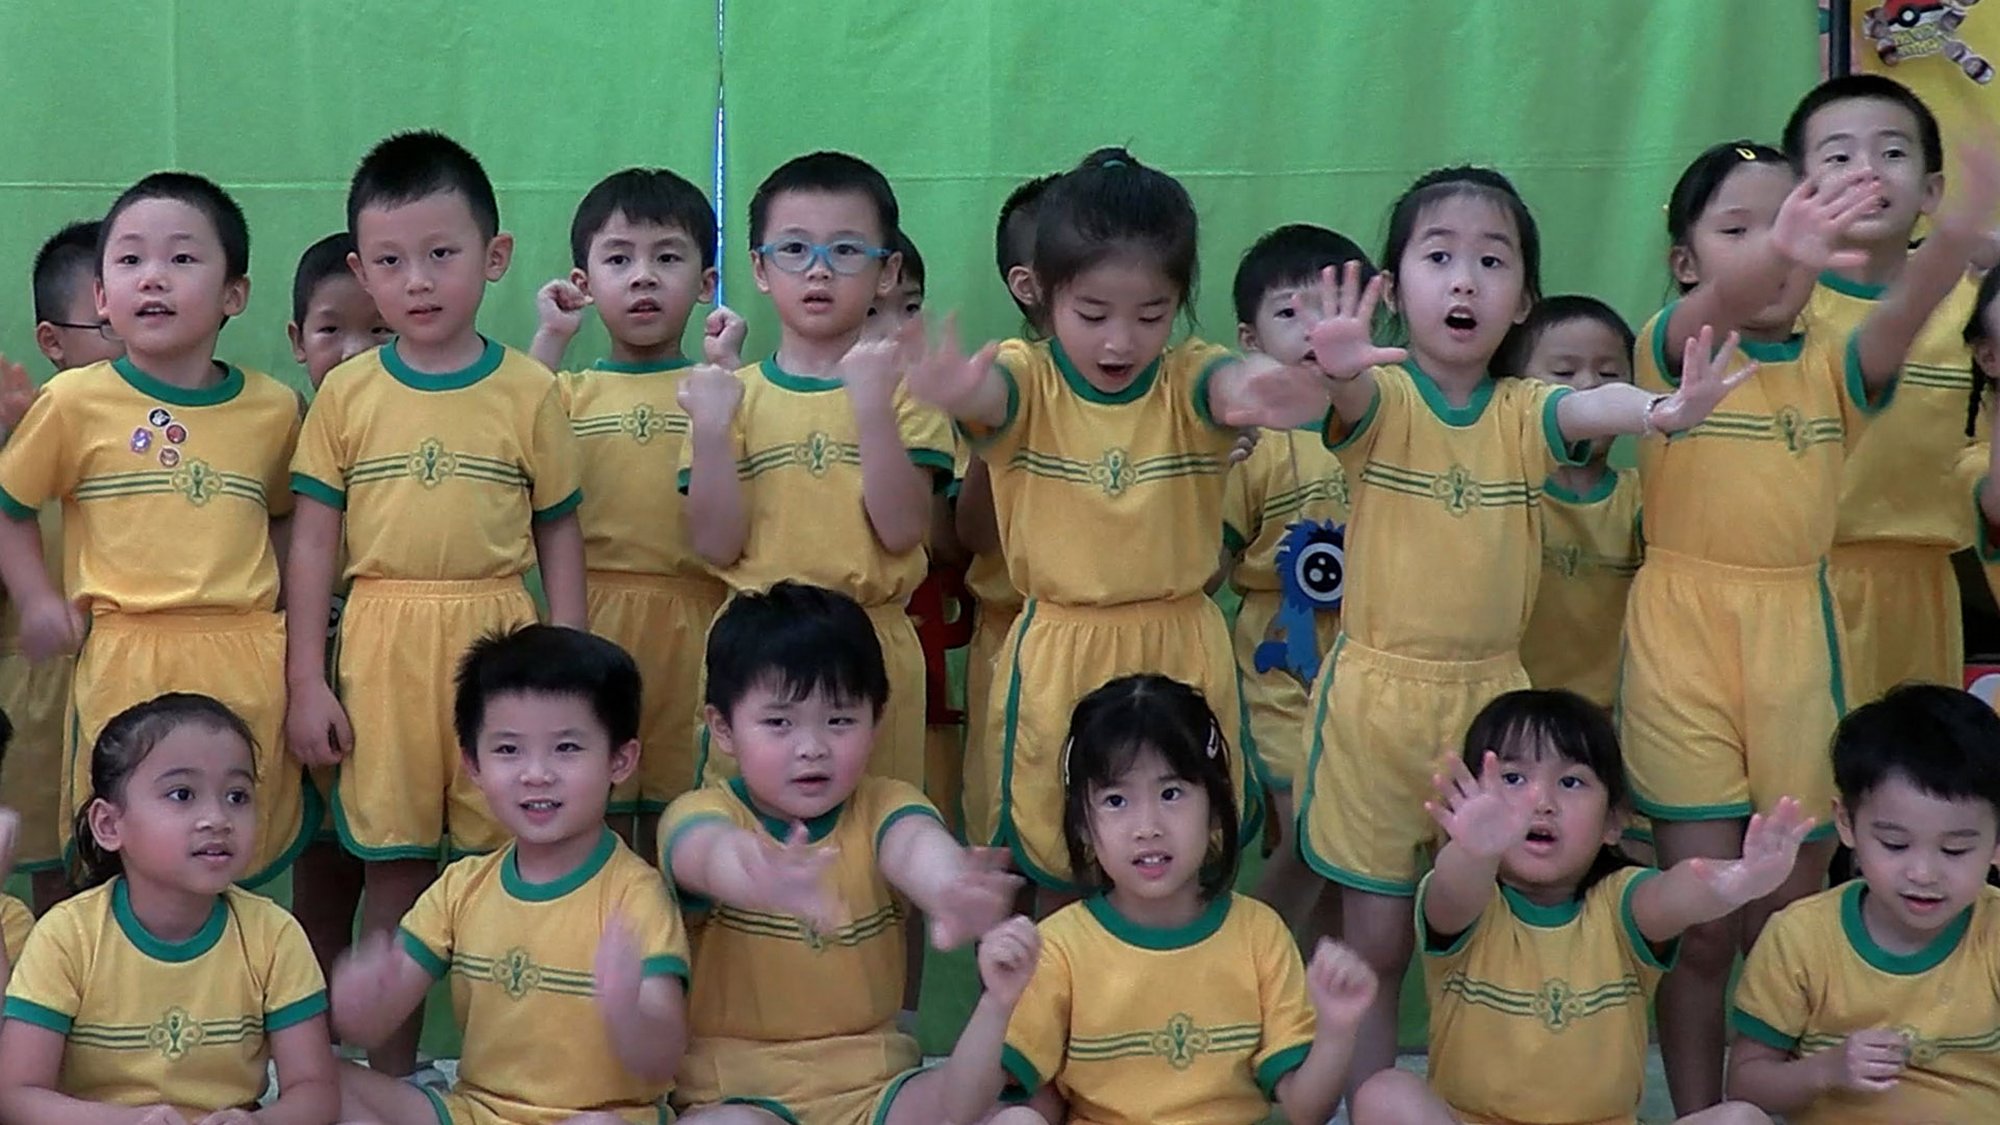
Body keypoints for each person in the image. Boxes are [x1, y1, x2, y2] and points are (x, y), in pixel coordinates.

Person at [1293, 164, 1754, 1092]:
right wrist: (1336, 365)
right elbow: (1345, 400)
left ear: (1523, 301)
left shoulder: (1521, 411)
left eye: (1492, 261)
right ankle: (1375, 1102)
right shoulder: (1384, 398)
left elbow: (1589, 406)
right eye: (1438, 257)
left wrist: (1659, 410)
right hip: (1374, 707)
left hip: (1491, 709)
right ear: (1396, 287)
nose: (1464, 280)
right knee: (1377, 938)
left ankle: (1499, 1095)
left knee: (1495, 922)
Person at [1623, 140, 1998, 1111]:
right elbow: (1729, 294)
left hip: (1795, 639)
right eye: (1739, 228)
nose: (1778, 249)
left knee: (1785, 915)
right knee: (1707, 919)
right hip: (1681, 643)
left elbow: (1913, 302)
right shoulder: (1674, 345)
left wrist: (1958, 225)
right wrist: (1781, 247)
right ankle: (1707, 1113)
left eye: (1797, 224)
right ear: (1683, 260)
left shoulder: (1835, 366)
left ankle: (1778, 1098)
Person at [903, 146, 1341, 901]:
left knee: (1182, 864)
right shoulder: (1029, 377)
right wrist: (955, 392)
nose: (1119, 341)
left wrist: (1278, 386)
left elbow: (1232, 389)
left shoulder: (1189, 375)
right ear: (1043, 294)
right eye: (1092, 314)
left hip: (1178, 648)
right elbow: (990, 400)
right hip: (1063, 656)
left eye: (1150, 315)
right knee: (1060, 863)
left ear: (1179, 304)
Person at [285, 130, 587, 1076]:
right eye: (390, 261)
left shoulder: (530, 389)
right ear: (361, 271)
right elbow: (313, 544)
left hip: (500, 642)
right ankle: (390, 1083)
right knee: (396, 865)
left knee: (516, 862)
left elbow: (559, 533)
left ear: (494, 256)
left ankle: (516, 1078)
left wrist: (571, 667)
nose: (417, 281)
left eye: (441, 253)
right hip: (380, 646)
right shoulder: (346, 395)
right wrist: (305, 680)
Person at [0, 174, 309, 893]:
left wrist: (279, 621)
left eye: (183, 258)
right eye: (130, 259)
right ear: (102, 297)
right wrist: (37, 596)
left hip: (245, 659)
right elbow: (11, 505)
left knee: (230, 852)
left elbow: (288, 514)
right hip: (126, 659)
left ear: (235, 293)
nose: (153, 278)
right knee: (120, 860)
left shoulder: (274, 410)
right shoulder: (72, 402)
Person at [938, 674, 1375, 1125]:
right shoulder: (1059, 947)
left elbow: (1308, 1111)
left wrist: (1337, 1029)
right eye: (1115, 801)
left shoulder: (1260, 935)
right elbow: (961, 1109)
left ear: (1215, 807)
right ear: (1083, 825)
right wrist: (997, 1002)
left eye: (1171, 794)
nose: (1147, 826)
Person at [661, 581, 1020, 1124]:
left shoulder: (885, 805)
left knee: (1015, 1120)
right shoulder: (702, 814)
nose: (812, 747)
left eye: (840, 720)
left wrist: (951, 887)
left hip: (876, 1084)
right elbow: (705, 854)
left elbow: (914, 845)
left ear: (876, 721)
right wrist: (757, 875)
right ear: (723, 729)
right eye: (779, 722)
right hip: (738, 1088)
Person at [1349, 690, 1793, 1124]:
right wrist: (1473, 851)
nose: (1542, 803)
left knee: (1741, 1119)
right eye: (1513, 779)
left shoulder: (1621, 904)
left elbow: (1673, 896)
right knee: (1384, 1094)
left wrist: (1735, 882)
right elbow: (1452, 895)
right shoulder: (1471, 904)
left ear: (1613, 822)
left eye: (1570, 782)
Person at [330, 625, 689, 1125]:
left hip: (599, 1116)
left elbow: (662, 1060)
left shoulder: (636, 895)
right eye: (508, 750)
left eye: (567, 748)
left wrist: (627, 1010)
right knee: (324, 1082)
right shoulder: (462, 887)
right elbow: (372, 1026)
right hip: (476, 1113)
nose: (536, 773)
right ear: (473, 764)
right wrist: (358, 1000)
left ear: (620, 760)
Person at [678, 152, 954, 793]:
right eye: (795, 249)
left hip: (870, 649)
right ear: (760, 269)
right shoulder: (730, 394)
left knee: (878, 830)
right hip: (758, 655)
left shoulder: (906, 392)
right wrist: (712, 431)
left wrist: (872, 407)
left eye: (847, 250)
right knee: (745, 834)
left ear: (888, 272)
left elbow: (903, 531)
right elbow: (715, 545)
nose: (819, 270)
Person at [529, 167, 738, 859]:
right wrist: (551, 337)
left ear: (706, 283)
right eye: (618, 259)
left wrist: (727, 372)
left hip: (700, 624)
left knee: (692, 816)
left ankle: (683, 932)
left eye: (667, 258)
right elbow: (513, 435)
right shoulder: (567, 392)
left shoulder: (720, 390)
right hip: (591, 618)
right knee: (596, 811)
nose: (643, 277)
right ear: (583, 282)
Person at [0, 694, 337, 1123]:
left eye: (237, 796)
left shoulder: (274, 935)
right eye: (182, 794)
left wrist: (258, 1122)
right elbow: (16, 1095)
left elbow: (317, 1092)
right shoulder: (67, 937)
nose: (217, 818)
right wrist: (130, 1123)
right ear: (109, 824)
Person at [1786, 75, 1984, 704]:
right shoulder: (1779, 308)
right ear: (1798, 192)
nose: (1867, 171)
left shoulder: (1977, 310)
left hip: (1928, 587)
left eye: (1893, 152)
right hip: (1799, 584)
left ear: (1932, 191)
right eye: (1839, 156)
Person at [1728, 685, 2000, 1122]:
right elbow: (1746, 1084)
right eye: (1894, 844)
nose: (1923, 873)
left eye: (1955, 850)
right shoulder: (1800, 938)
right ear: (1846, 824)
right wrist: (1827, 1070)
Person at [1219, 223, 1366, 937]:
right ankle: (1253, 960)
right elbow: (1209, 566)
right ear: (1250, 339)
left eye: (1333, 308)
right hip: (1279, 671)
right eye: (1290, 313)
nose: (1315, 331)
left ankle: (1318, 983)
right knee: (1307, 827)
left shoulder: (1393, 421)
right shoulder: (1254, 441)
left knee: (1356, 850)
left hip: (1371, 665)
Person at [2, 220, 120, 911]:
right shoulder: (28, 441)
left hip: (139, 677)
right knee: (60, 883)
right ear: (52, 343)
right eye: (107, 325)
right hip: (43, 703)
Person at [283, 230, 389, 981]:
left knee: (391, 866)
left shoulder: (416, 425)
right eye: (331, 330)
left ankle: (375, 1036)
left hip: (389, 686)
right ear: (297, 340)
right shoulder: (276, 430)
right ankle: (306, 1037)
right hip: (301, 687)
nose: (353, 352)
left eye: (377, 331)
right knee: (318, 879)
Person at [1501, 295, 1642, 711]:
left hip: (1606, 716)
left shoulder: (1641, 497)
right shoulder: (1505, 490)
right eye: (1564, 372)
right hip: (1508, 708)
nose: (1589, 386)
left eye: (1609, 373)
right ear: (1515, 389)